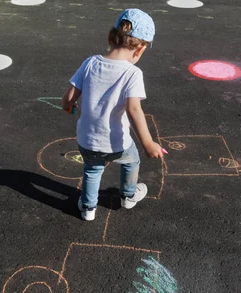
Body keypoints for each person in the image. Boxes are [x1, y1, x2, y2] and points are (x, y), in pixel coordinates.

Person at [62, 8, 164, 221]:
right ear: (140, 48)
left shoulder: (90, 63)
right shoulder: (132, 73)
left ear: (112, 37)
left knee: (92, 169)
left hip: (87, 140)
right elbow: (134, 110)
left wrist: (68, 106)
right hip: (117, 143)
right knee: (131, 161)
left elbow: (69, 96)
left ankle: (88, 208)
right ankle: (128, 195)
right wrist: (148, 144)